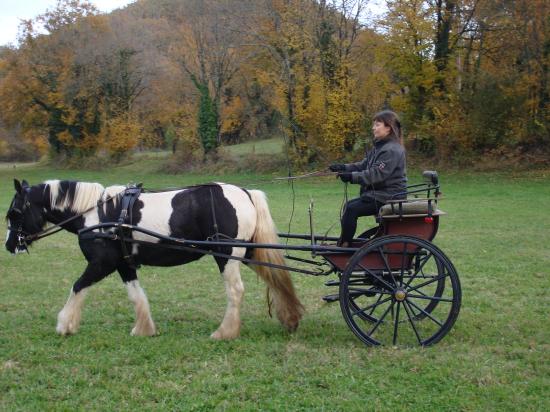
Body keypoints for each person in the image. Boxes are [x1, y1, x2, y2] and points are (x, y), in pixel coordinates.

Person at [329, 110, 407, 247]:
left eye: (377, 125)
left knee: (351, 209)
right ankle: (345, 242)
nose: (373, 128)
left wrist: (351, 177)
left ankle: (344, 244)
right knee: (349, 207)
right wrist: (344, 167)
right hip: (379, 195)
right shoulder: (381, 147)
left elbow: (376, 173)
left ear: (388, 128)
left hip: (388, 196)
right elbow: (364, 165)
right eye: (374, 125)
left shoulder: (392, 150)